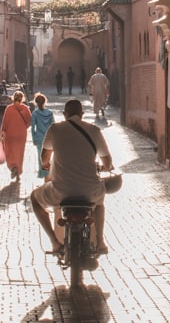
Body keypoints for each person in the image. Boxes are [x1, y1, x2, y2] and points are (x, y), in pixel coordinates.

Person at [30, 99, 113, 256]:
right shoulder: (94, 130)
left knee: (34, 199)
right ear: (81, 114)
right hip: (90, 192)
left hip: (60, 192)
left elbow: (44, 159)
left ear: (64, 114)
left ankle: (55, 242)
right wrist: (106, 167)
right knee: (100, 202)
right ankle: (100, 241)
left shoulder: (55, 129)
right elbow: (107, 162)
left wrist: (47, 166)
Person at [0, 90, 31, 181]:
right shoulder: (25, 108)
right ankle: (18, 173)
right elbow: (29, 121)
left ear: (14, 97)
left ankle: (13, 167)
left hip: (10, 134)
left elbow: (4, 122)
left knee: (9, 151)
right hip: (21, 134)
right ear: (22, 98)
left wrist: (2, 132)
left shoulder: (9, 108)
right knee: (19, 153)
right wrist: (23, 127)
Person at [30, 93, 55, 179]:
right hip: (49, 138)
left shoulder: (35, 113)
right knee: (49, 156)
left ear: (36, 103)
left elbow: (33, 127)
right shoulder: (50, 113)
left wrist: (34, 138)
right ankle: (49, 174)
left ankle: (44, 174)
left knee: (41, 157)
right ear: (45, 102)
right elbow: (53, 126)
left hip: (40, 138)